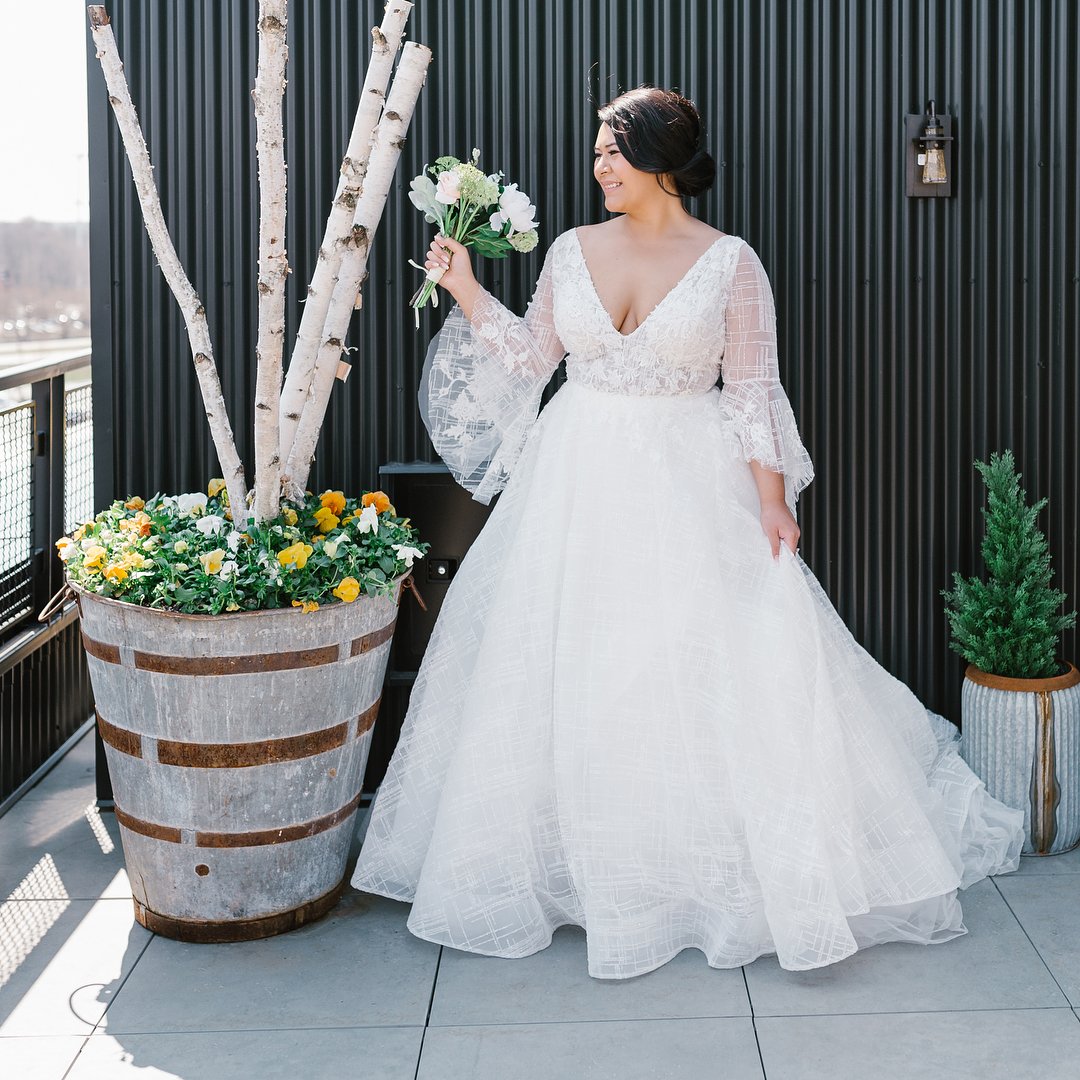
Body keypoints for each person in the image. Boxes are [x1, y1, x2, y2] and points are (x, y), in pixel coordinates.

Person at [351, 87, 1023, 979]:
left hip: (689, 482)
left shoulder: (731, 264)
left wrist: (774, 502)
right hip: (576, 483)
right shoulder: (568, 250)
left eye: (611, 152)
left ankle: (691, 868)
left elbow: (751, 393)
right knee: (574, 661)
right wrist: (465, 287)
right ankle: (577, 864)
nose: (597, 167)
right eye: (595, 153)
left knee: (689, 661)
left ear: (661, 156)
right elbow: (527, 360)